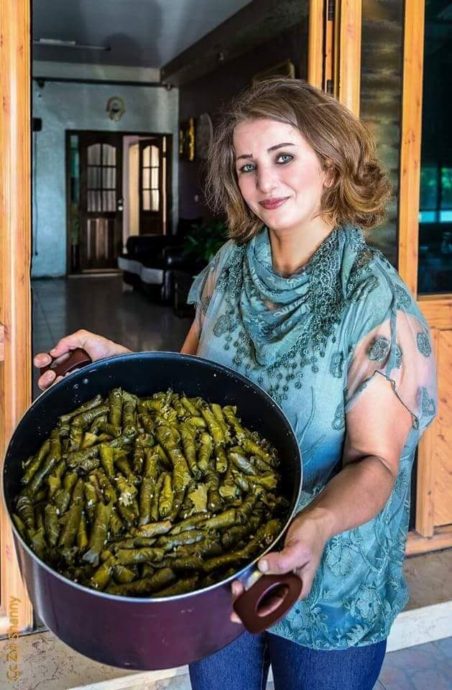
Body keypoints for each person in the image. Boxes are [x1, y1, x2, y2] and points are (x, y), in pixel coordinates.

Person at [35, 79, 437, 690]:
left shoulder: (372, 300)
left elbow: (377, 461)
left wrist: (317, 526)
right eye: (247, 166)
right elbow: (191, 385)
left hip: (330, 577)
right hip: (214, 557)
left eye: (283, 156)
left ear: (329, 164)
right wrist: (117, 363)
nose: (264, 182)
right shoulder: (227, 266)